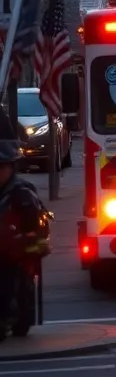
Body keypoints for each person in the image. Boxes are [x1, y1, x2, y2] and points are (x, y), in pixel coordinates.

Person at [0, 115, 49, 341]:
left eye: (2, 167)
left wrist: (25, 242)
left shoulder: (22, 194)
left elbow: (39, 230)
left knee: (12, 282)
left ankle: (11, 316)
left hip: (15, 259)